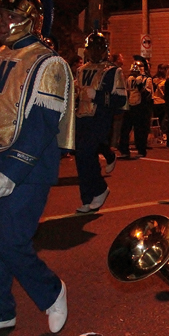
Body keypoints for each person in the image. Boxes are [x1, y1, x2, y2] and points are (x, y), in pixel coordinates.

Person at [0, 0, 73, 335]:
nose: (2, 21)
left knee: (11, 240)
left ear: (31, 21)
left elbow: (43, 124)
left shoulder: (49, 62)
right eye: (1, 14)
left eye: (11, 15)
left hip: (29, 165)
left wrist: (12, 171)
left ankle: (52, 290)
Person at [74, 30, 127, 213]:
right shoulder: (81, 70)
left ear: (105, 50)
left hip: (100, 119)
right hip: (81, 118)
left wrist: (97, 95)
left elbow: (121, 100)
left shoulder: (113, 71)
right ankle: (87, 197)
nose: (95, 52)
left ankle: (100, 189)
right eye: (92, 48)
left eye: (99, 48)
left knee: (86, 152)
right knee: (81, 158)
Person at [118, 55, 152, 158]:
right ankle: (124, 149)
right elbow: (127, 92)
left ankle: (141, 150)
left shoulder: (147, 79)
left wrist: (140, 84)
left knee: (140, 130)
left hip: (141, 106)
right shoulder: (129, 78)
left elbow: (148, 95)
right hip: (130, 106)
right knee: (125, 128)